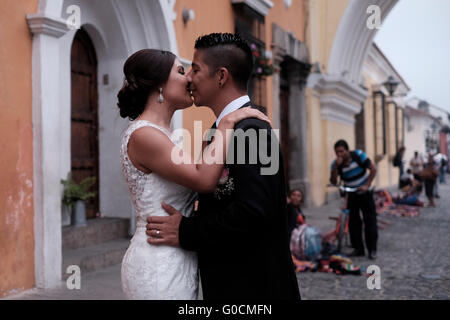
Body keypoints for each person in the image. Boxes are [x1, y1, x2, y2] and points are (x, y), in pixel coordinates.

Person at [146, 33, 301, 300]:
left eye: (195, 69)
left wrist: (185, 231)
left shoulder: (253, 131)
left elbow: (253, 213)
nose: (189, 78)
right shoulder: (221, 130)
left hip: (255, 287)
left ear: (221, 76)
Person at [118, 48, 270, 299]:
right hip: (158, 263)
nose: (189, 78)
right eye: (180, 71)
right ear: (158, 86)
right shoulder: (145, 135)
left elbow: (195, 175)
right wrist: (227, 123)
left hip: (177, 255)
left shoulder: (162, 135)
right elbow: (203, 180)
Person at [329, 140, 378, 260]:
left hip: (365, 193)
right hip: (351, 194)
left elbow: (373, 169)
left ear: (347, 150)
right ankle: (358, 249)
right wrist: (336, 167)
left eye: (341, 151)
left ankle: (372, 249)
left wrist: (367, 185)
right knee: (353, 223)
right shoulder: (336, 164)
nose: (339, 154)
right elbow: (333, 181)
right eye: (337, 152)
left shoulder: (358, 155)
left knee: (370, 221)